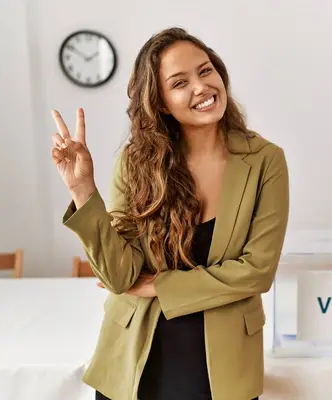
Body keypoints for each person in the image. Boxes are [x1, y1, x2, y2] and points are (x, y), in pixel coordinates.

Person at [50, 27, 289, 400]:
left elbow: (257, 270)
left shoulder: (265, 160)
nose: (201, 87)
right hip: (134, 356)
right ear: (160, 102)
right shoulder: (136, 162)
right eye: (180, 82)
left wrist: (158, 286)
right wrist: (83, 190)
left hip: (220, 363)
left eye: (205, 70)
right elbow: (119, 277)